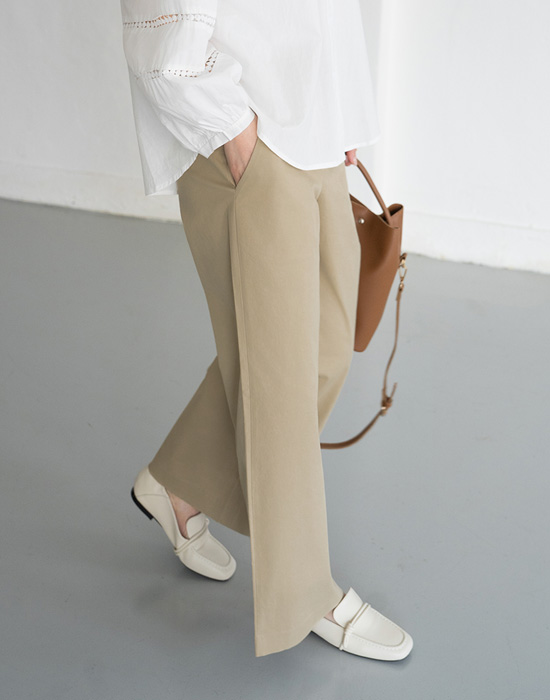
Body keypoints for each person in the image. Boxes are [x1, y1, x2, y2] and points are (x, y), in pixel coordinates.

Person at [120, 0, 413, 660]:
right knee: (278, 381)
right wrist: (235, 131)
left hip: (310, 126)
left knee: (326, 351)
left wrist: (341, 107)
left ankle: (179, 480)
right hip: (246, 138)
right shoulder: (240, 137)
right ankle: (305, 593)